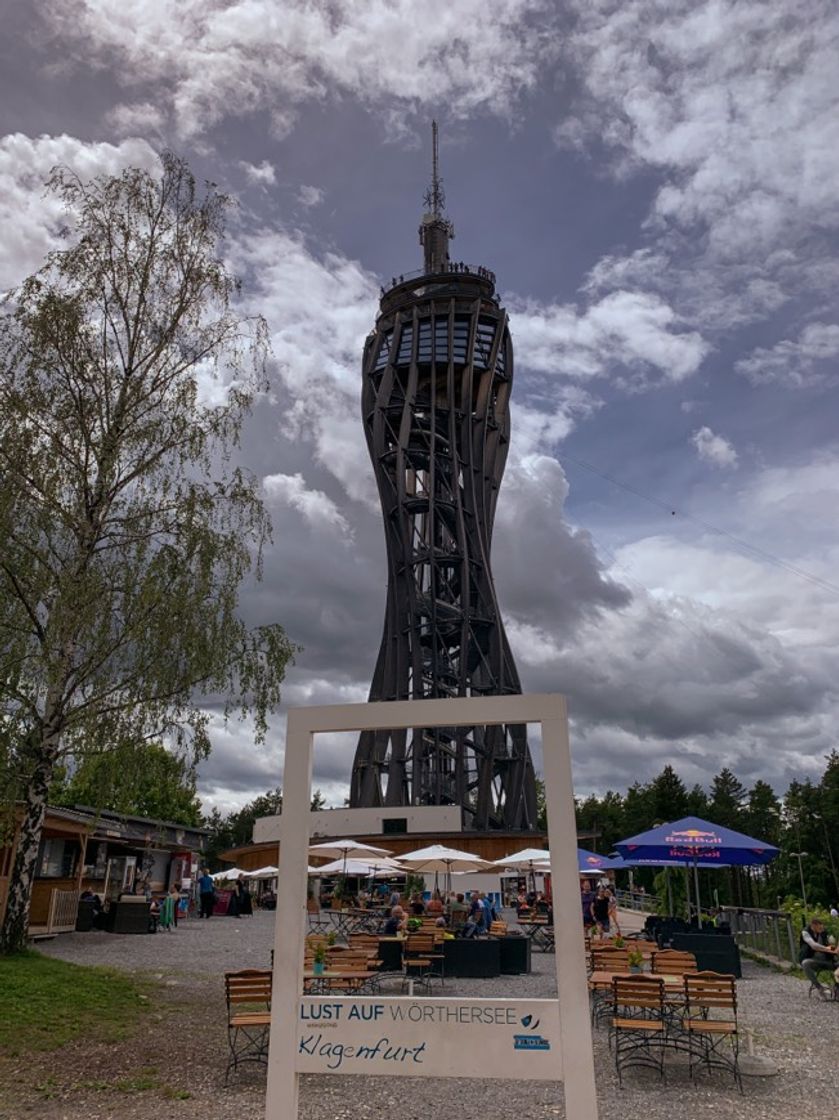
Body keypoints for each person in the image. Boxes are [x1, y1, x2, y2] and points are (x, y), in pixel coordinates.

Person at [799, 917, 839, 999]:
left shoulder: (825, 933)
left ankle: (837, 988)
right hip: (815, 961)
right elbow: (813, 946)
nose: (822, 929)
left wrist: (833, 948)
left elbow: (832, 946)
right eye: (820, 928)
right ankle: (819, 988)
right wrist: (827, 949)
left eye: (822, 927)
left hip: (829, 961)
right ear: (813, 925)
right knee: (805, 963)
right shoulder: (806, 932)